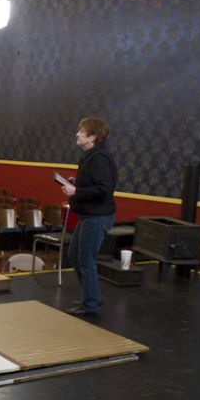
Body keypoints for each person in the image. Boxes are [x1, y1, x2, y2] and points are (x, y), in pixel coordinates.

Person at [61, 117, 118, 317]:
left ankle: (91, 303)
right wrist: (78, 182)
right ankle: (91, 296)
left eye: (82, 131)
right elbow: (94, 183)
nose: (77, 134)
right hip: (89, 215)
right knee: (74, 255)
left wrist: (76, 190)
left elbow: (104, 189)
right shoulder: (90, 156)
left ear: (92, 137)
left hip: (97, 216)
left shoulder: (99, 158)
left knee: (85, 259)